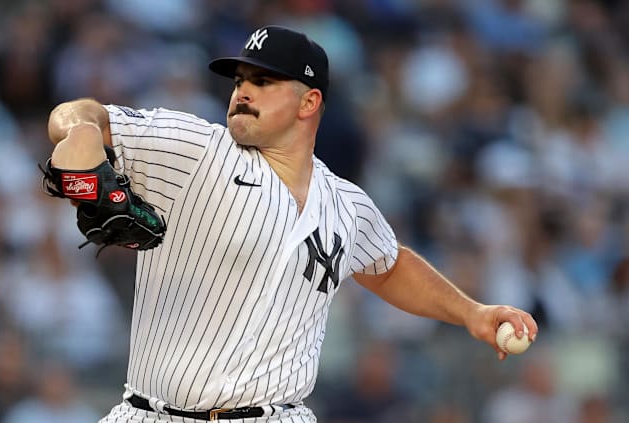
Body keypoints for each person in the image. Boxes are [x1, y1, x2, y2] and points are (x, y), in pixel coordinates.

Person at [45, 25, 538, 423]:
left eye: (263, 81)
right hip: (154, 414)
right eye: (239, 80)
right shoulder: (198, 149)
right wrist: (84, 132)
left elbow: (388, 267)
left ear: (309, 103)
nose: (242, 92)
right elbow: (72, 115)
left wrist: (472, 312)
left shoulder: (346, 204)